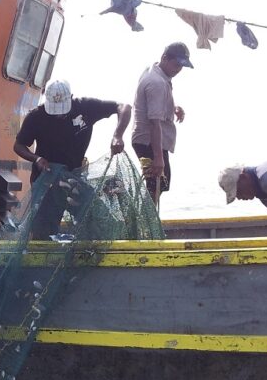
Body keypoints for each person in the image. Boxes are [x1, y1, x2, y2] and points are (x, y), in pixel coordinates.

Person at [13, 79, 131, 238]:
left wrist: (118, 135)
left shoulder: (85, 107)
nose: (59, 115)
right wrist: (36, 158)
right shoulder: (36, 117)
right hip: (46, 180)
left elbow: (123, 107)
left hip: (75, 178)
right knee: (42, 231)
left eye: (62, 110)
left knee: (94, 219)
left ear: (71, 98)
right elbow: (19, 145)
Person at [131, 41, 193, 207]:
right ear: (164, 58)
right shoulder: (157, 83)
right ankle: (145, 227)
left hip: (147, 139)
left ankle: (146, 224)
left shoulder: (154, 71)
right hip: (149, 141)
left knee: (160, 185)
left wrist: (172, 107)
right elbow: (153, 122)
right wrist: (158, 158)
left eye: (182, 66)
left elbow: (150, 103)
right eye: (176, 65)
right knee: (156, 185)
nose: (178, 69)